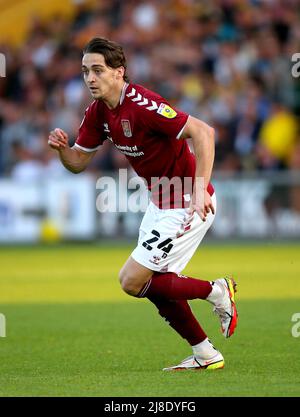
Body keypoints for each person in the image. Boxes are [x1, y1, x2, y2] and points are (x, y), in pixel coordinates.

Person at [48, 37, 238, 371]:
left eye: (97, 70)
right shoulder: (97, 112)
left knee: (132, 280)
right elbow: (78, 163)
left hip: (186, 201)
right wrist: (64, 149)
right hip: (160, 204)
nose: (90, 78)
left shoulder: (143, 105)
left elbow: (204, 132)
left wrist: (198, 189)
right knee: (150, 284)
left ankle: (217, 291)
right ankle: (206, 354)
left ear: (119, 72)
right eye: (85, 71)